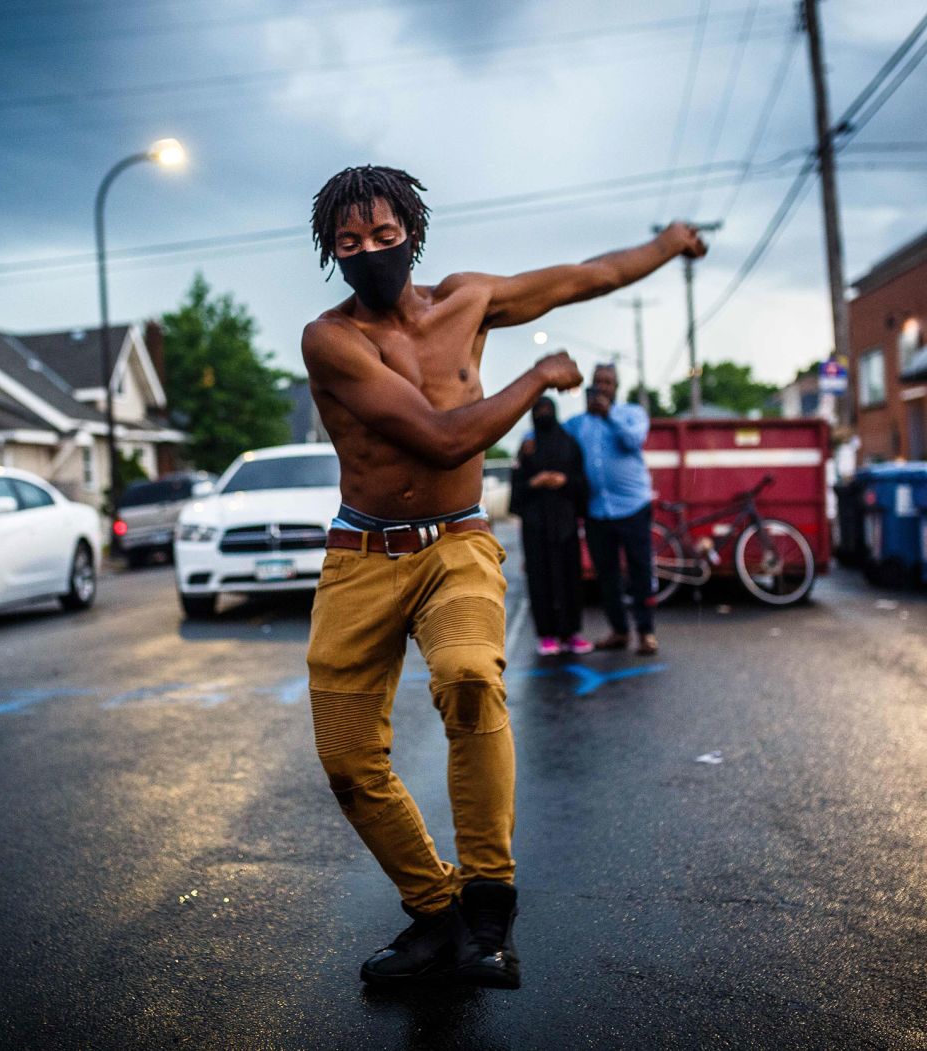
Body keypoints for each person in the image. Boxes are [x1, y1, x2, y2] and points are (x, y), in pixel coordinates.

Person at [301, 164, 705, 989]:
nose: (370, 253)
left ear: (412, 232)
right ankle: (435, 912)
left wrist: (668, 244)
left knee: (469, 675)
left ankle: (489, 906)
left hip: (456, 543)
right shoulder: (331, 338)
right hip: (360, 557)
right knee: (346, 758)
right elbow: (443, 438)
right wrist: (535, 378)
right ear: (331, 252)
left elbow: (589, 277)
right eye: (349, 243)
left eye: (383, 236)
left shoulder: (471, 300)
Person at [566, 363, 660, 656]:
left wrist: (609, 415)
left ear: (616, 387)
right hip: (597, 512)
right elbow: (549, 435)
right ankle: (619, 631)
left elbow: (634, 440)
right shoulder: (579, 423)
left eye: (608, 382)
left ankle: (646, 633)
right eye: (598, 382)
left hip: (633, 507)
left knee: (640, 571)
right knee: (606, 576)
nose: (602, 387)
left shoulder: (631, 413)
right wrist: (529, 443)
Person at [509, 396, 591, 656]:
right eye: (539, 410)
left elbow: (582, 484)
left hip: (565, 523)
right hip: (535, 525)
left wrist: (563, 480)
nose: (543, 414)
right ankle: (546, 634)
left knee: (570, 579)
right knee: (540, 580)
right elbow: (517, 488)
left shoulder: (569, 444)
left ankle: (571, 633)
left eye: (547, 410)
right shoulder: (527, 447)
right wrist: (536, 482)